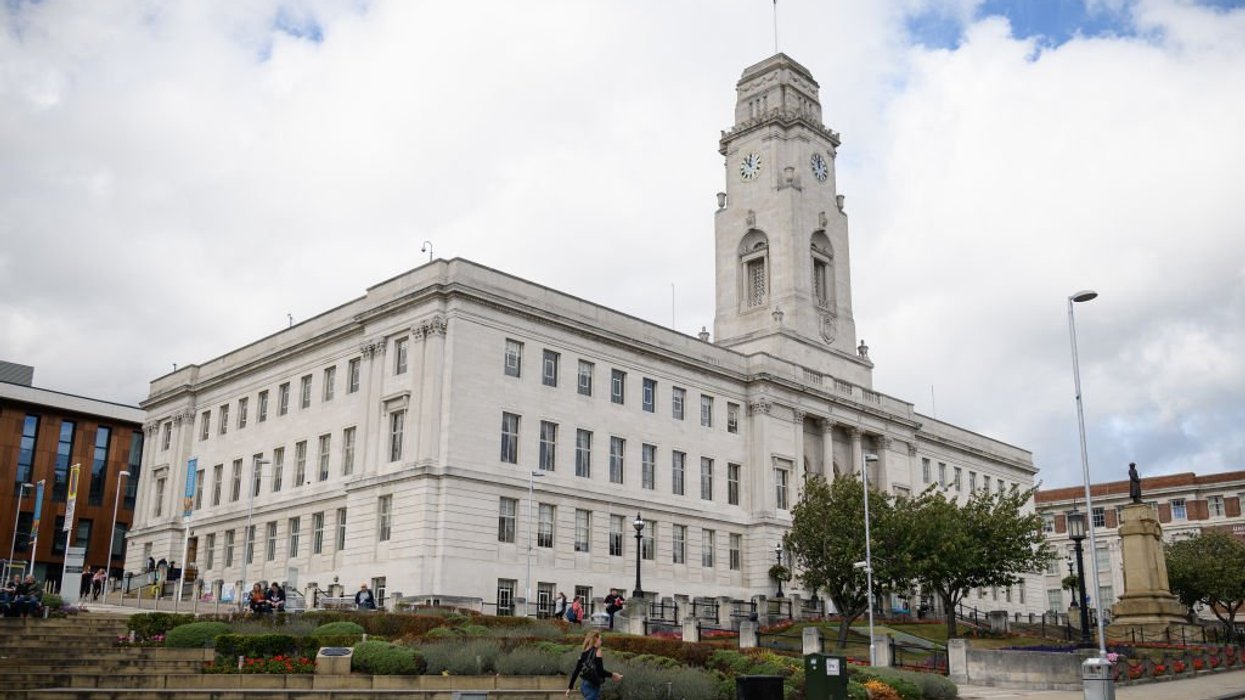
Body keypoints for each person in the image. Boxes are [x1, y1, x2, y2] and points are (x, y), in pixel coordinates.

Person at [565, 629, 622, 700]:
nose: (601, 641)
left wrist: (570, 688)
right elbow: (600, 671)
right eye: (600, 639)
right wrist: (613, 675)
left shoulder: (583, 653)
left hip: (584, 686)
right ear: (595, 639)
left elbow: (576, 671)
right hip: (592, 686)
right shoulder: (597, 651)